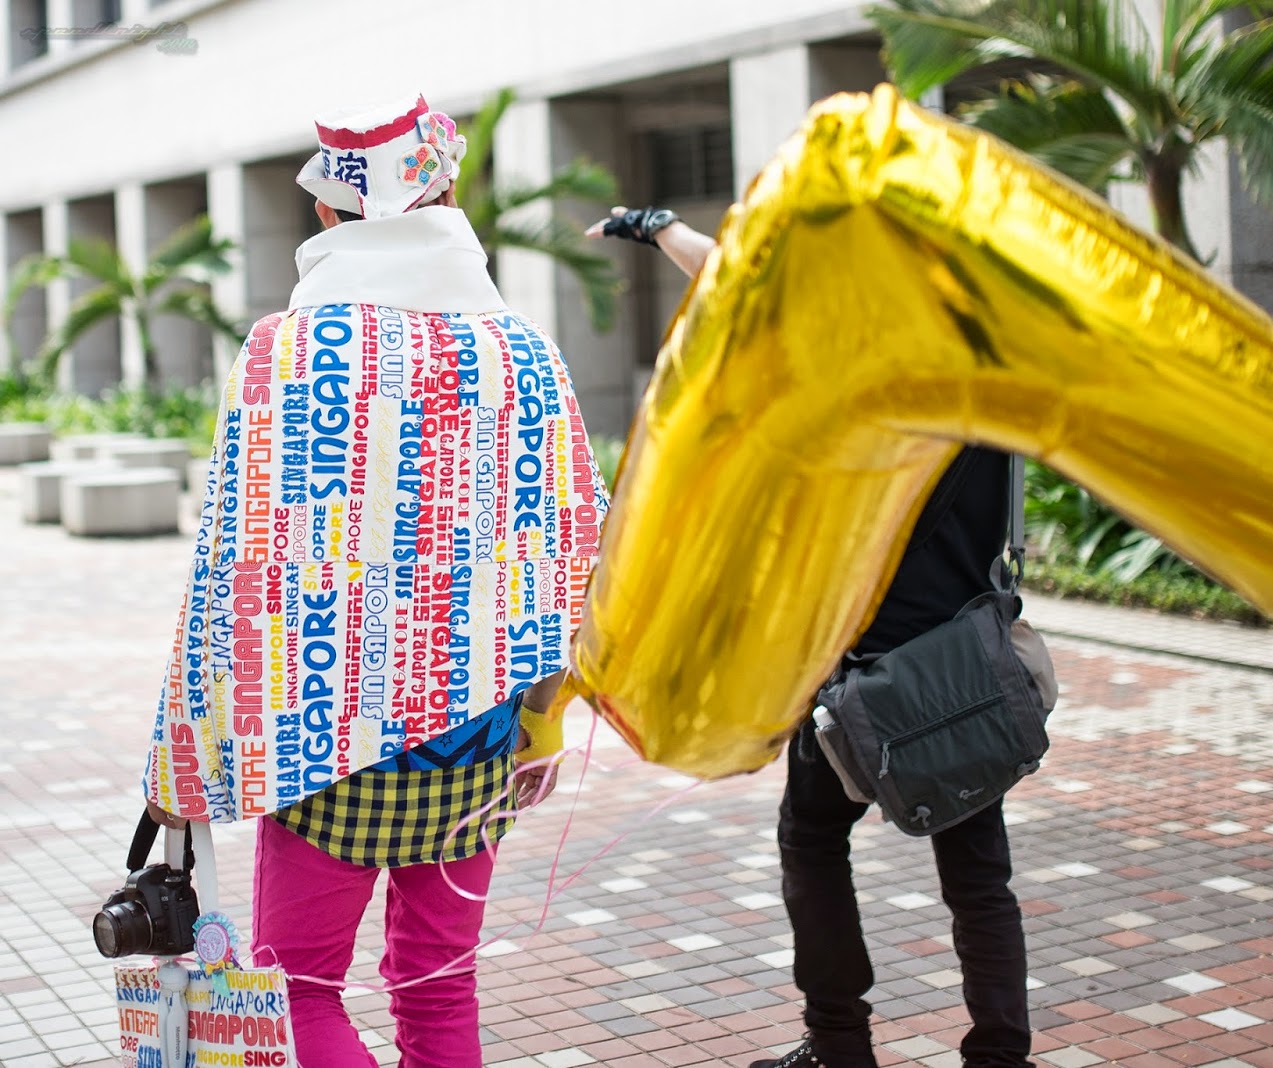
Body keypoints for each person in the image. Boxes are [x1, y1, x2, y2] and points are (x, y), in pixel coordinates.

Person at [141, 94, 608, 1068]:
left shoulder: (286, 351)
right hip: (478, 742)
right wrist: (546, 718)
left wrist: (182, 760)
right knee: (440, 993)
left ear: (325, 213)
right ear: (442, 192)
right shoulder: (524, 353)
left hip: (319, 745)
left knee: (296, 988)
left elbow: (233, 573)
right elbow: (574, 555)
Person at [591, 207, 1033, 1068]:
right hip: (967, 668)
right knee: (980, 877)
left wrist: (655, 227)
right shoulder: (993, 375)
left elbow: (737, 285)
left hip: (858, 681)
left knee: (812, 839)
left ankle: (839, 1046)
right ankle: (1000, 1056)